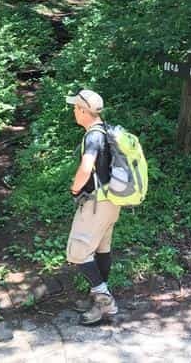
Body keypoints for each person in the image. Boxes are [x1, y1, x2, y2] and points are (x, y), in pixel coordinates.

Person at [65, 89, 120, 325]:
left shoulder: (93, 136)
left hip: (96, 202)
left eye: (75, 108)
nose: (73, 112)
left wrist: (75, 189)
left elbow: (87, 167)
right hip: (113, 200)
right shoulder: (106, 130)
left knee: (78, 252)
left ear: (83, 111)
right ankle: (97, 299)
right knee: (101, 250)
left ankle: (105, 302)